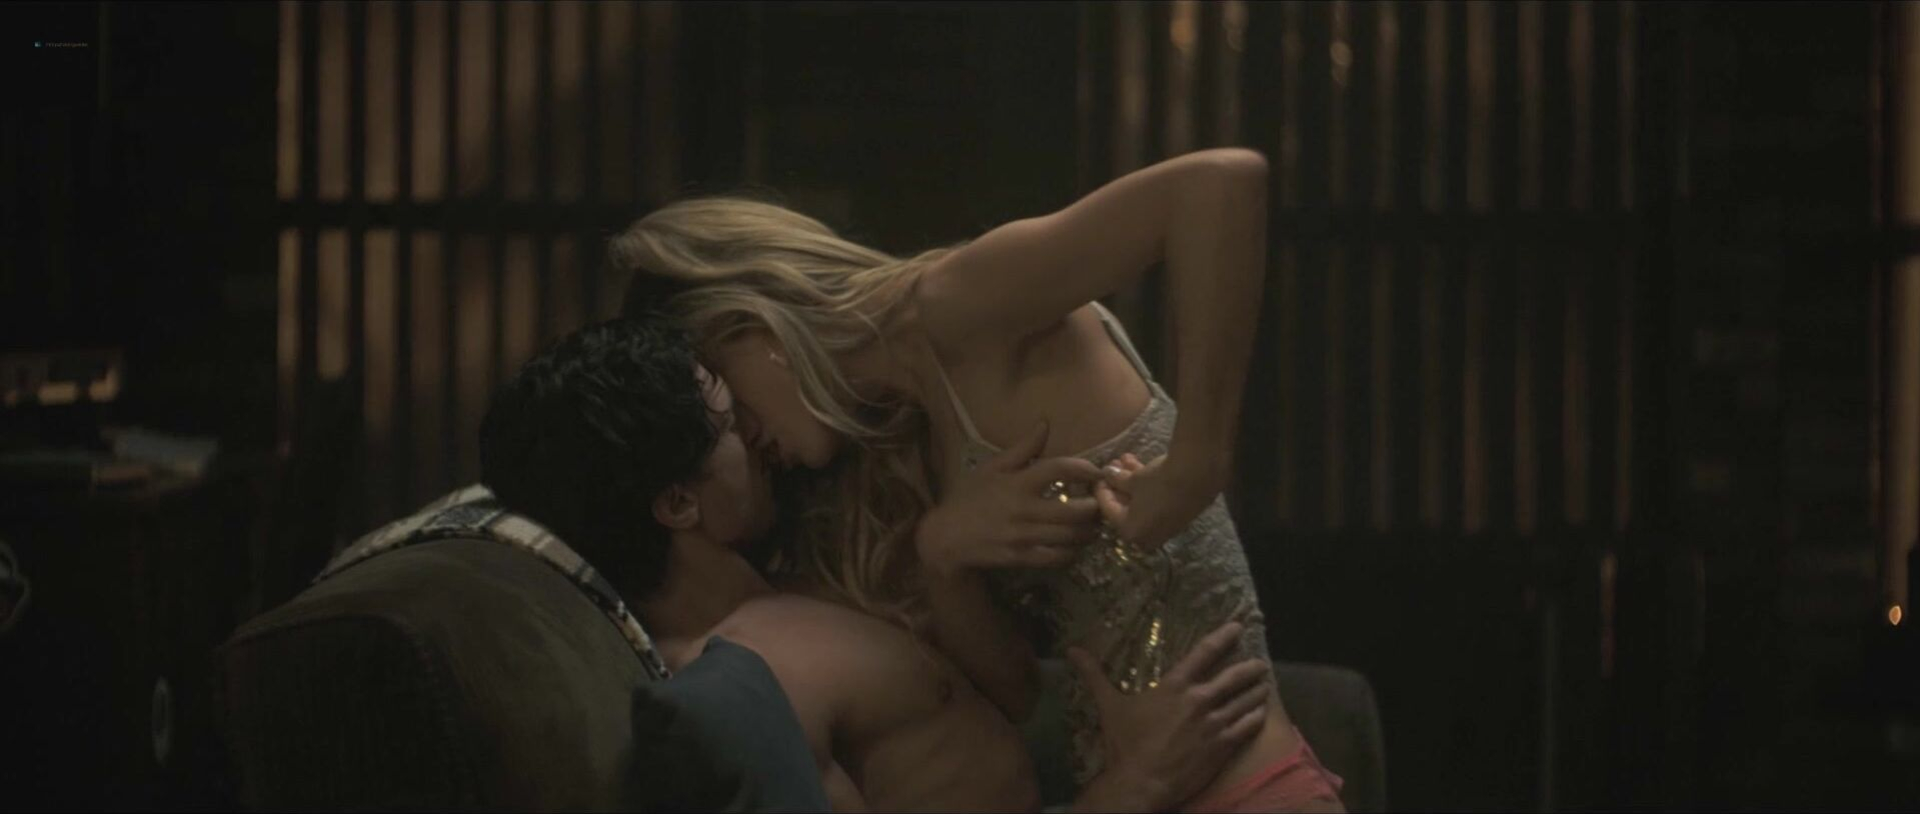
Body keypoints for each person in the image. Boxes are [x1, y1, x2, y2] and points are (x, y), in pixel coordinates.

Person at [612, 147, 1346, 812]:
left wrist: (1197, 461)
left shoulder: (954, 306)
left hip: (1249, 788)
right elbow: (1016, 695)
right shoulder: (900, 439)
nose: (748, 443)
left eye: (731, 406)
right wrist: (944, 558)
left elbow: (1219, 185)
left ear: (750, 323)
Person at [477, 317, 1274, 811]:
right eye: (728, 427)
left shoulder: (790, 583)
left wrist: (948, 555)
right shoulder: (753, 684)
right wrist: (1136, 787)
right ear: (680, 503)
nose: (757, 436)